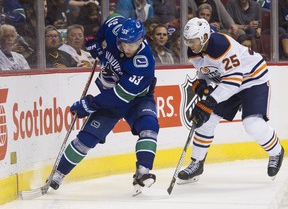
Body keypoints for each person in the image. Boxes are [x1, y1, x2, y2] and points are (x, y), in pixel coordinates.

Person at [49, 13, 159, 195]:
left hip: (136, 99)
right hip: (110, 92)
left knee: (149, 127)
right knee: (87, 139)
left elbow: (120, 96)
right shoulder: (115, 27)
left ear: (141, 40)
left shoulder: (144, 62)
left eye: (131, 44)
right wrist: (95, 42)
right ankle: (58, 174)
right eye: (123, 43)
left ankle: (143, 172)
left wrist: (91, 103)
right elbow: (107, 23)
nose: (126, 47)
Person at [177, 17, 285, 184]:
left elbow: (234, 82)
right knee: (206, 120)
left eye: (194, 40)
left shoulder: (221, 46)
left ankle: (276, 151)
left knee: (252, 124)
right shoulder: (194, 50)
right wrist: (202, 83)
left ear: (205, 37)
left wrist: (210, 101)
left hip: (252, 79)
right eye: (187, 41)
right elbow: (205, 70)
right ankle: (197, 163)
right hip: (228, 81)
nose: (191, 44)